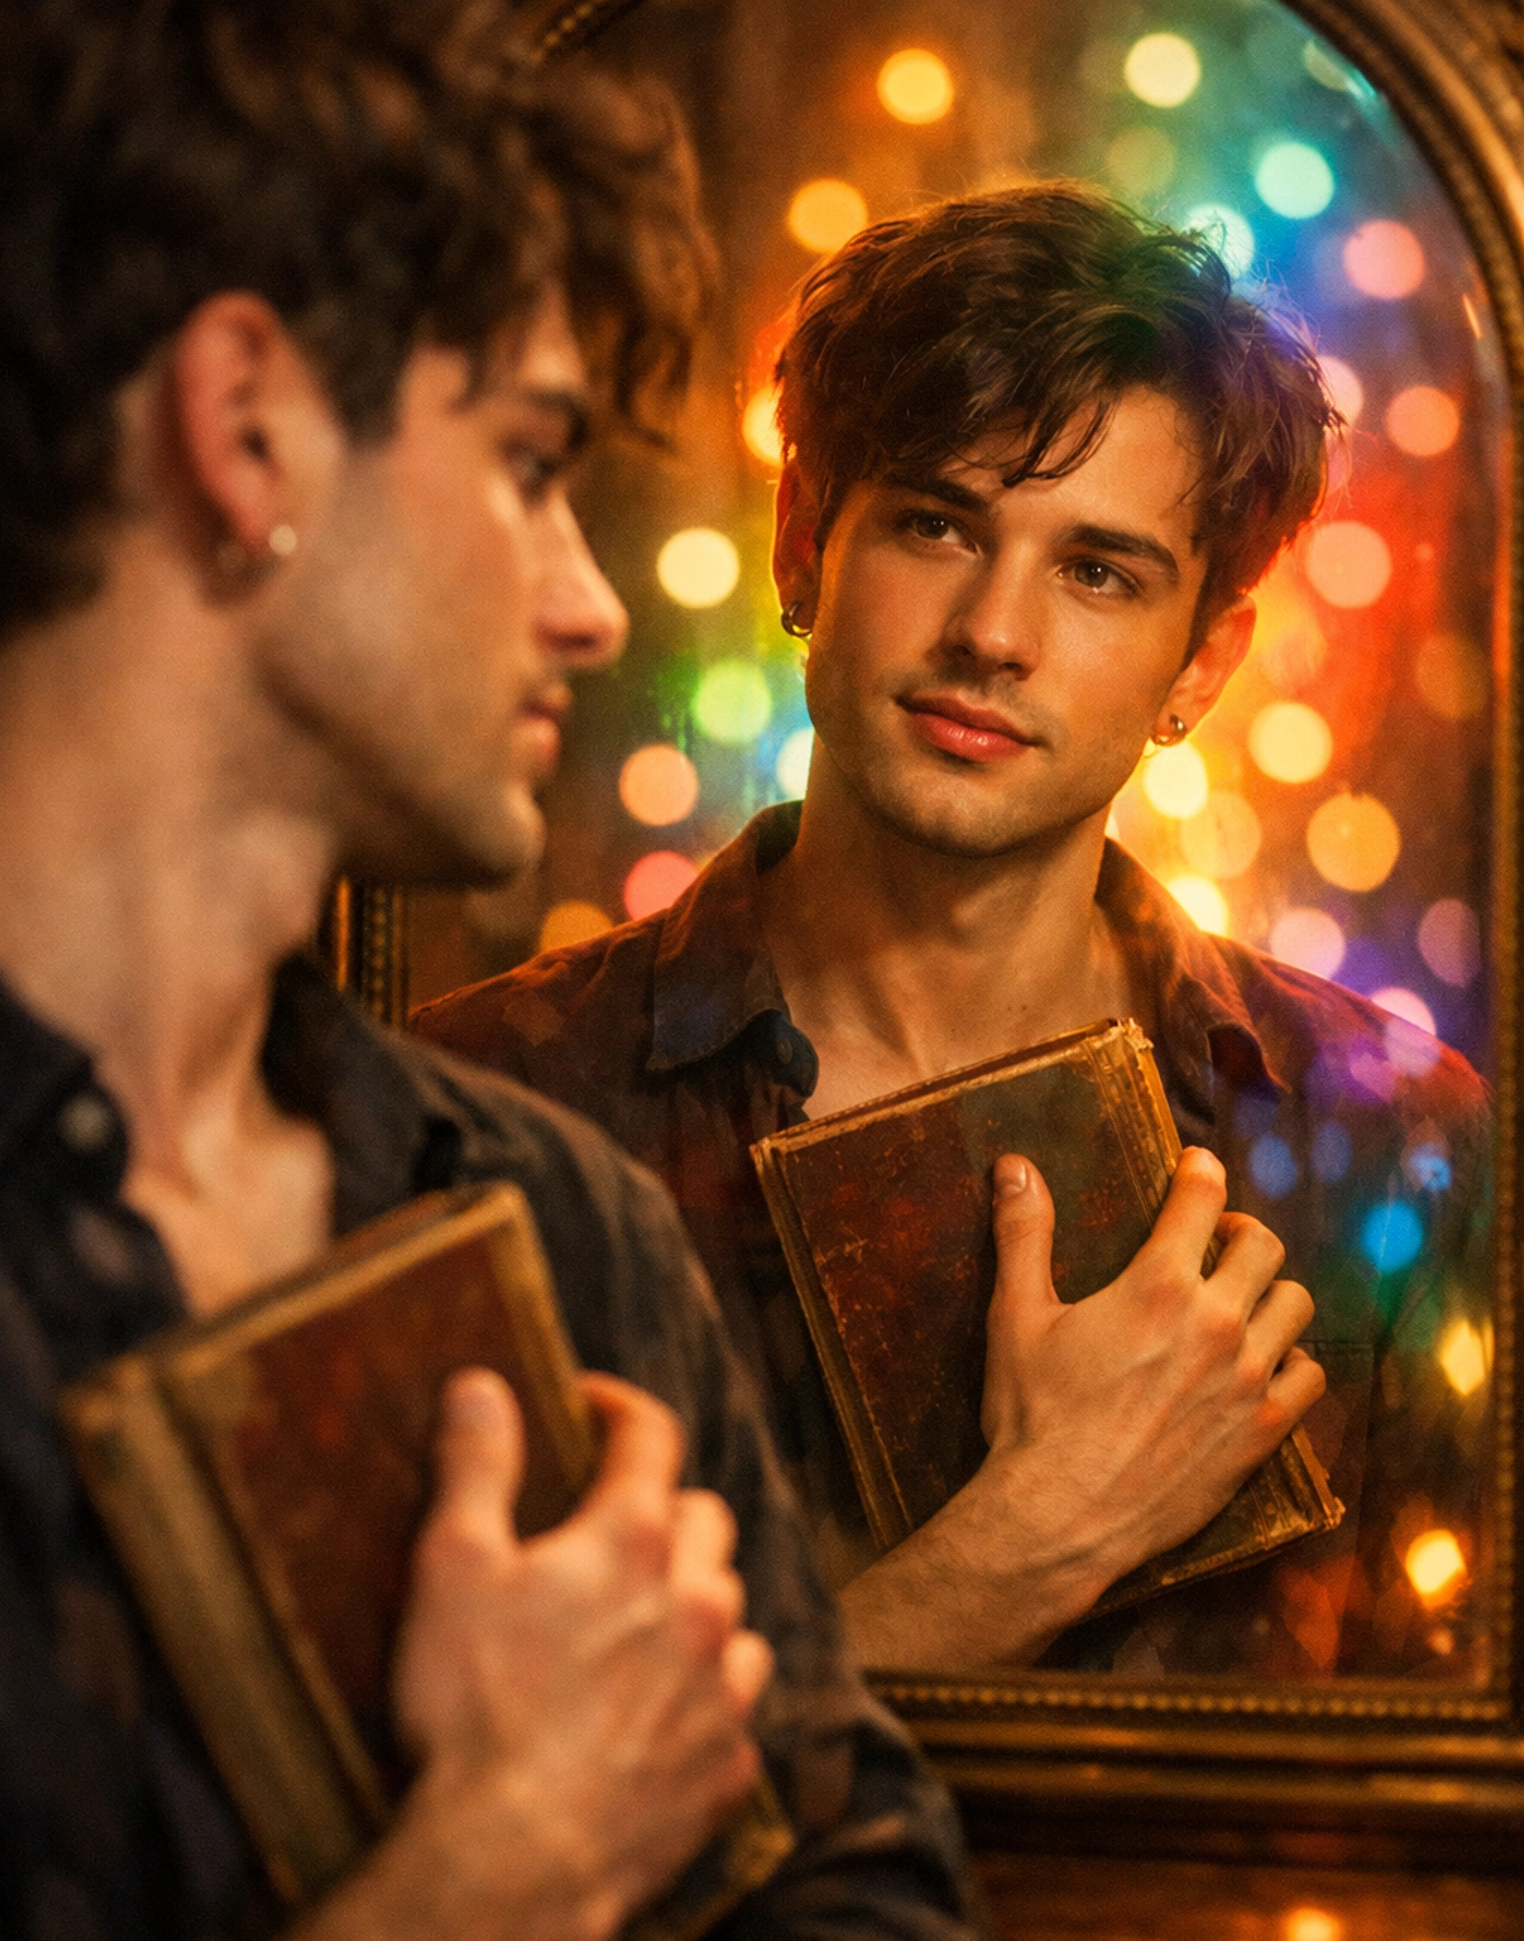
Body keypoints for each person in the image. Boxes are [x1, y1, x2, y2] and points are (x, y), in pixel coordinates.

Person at [0, 0, 1023, 1941]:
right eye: (530, 463)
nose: (578, 600)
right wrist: (510, 1874)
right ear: (247, 427)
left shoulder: (542, 1215)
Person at [415, 187, 1491, 1684]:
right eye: (937, 523)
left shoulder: (1395, 1146)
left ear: (1205, 663)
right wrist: (1034, 1538)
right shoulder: (482, 1114)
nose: (996, 630)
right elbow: (469, 1837)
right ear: (805, 545)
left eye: (1097, 571)